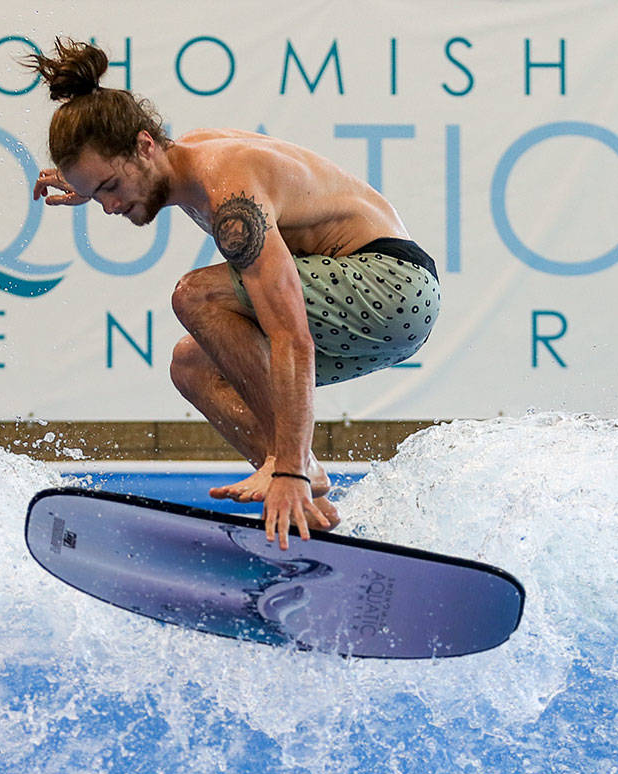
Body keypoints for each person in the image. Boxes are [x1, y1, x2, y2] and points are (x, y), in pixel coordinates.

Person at [26, 39, 440, 549]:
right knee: (192, 365)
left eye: (110, 187)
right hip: (374, 304)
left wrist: (288, 466)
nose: (110, 207)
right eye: (96, 196)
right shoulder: (184, 156)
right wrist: (89, 183)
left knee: (197, 295)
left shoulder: (231, 195)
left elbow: (292, 335)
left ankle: (294, 476)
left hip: (392, 285)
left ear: (144, 146)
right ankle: (310, 521)